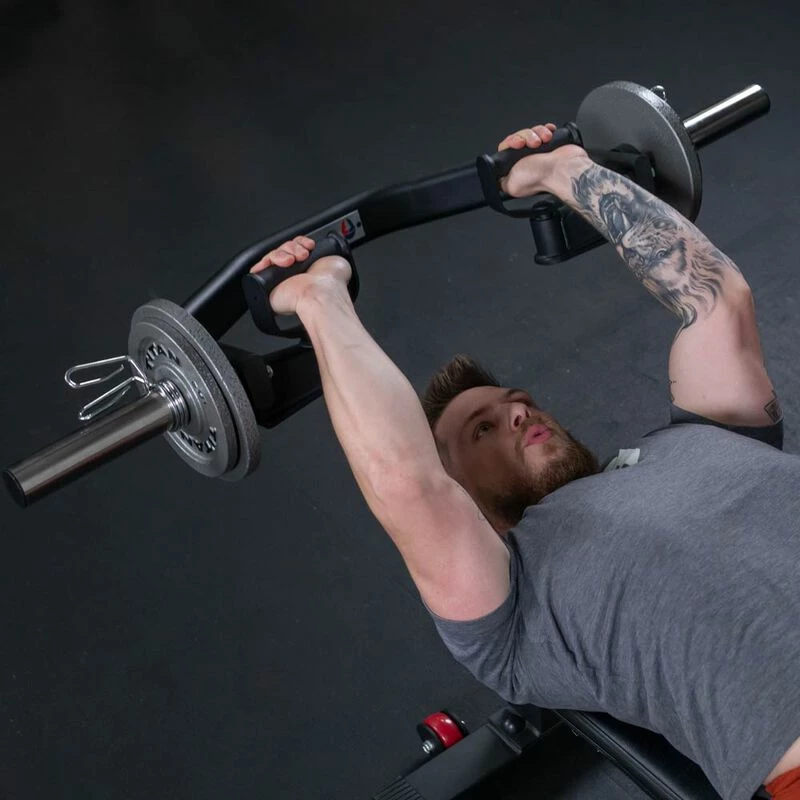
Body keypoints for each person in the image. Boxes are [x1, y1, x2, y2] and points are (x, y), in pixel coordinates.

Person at [250, 123, 800, 800]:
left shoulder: (704, 435)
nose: (517, 415)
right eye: (482, 431)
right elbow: (407, 482)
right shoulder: (514, 612)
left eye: (517, 403)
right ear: (461, 491)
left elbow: (717, 301)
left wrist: (559, 169)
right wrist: (320, 298)